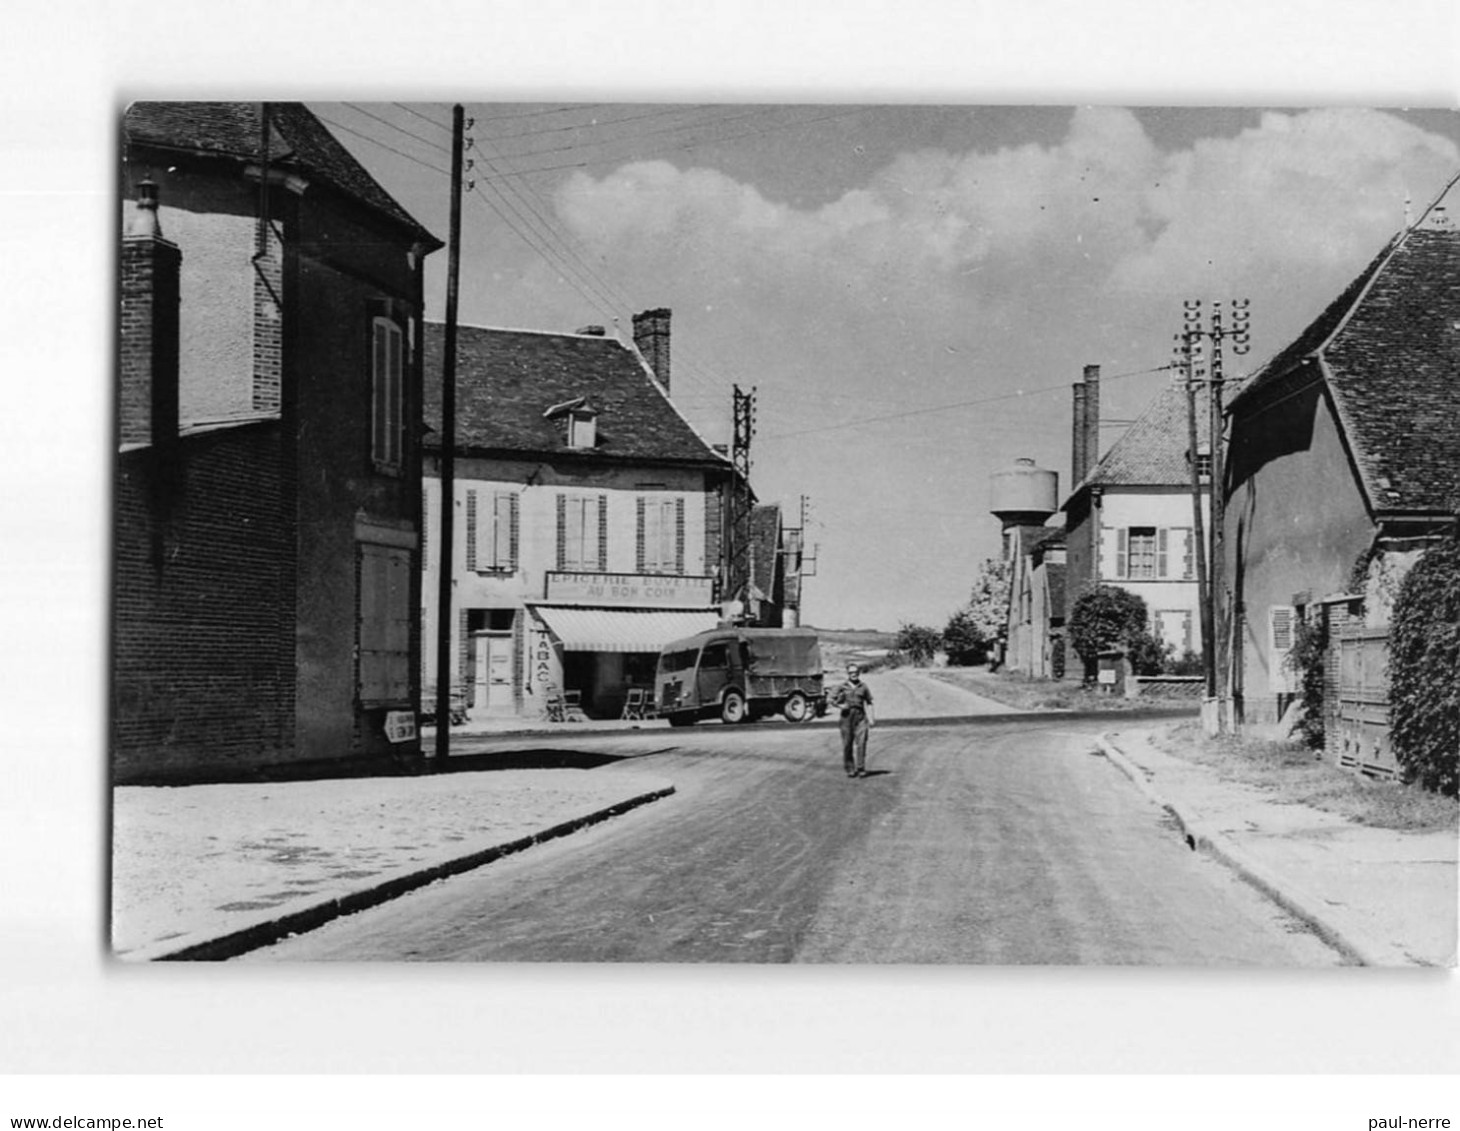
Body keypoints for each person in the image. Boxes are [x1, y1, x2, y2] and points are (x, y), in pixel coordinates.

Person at [831, 663, 875, 778]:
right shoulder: (842, 686)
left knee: (861, 743)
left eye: (855, 672)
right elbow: (830, 699)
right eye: (851, 673)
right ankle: (850, 768)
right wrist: (840, 706)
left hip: (860, 717)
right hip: (846, 718)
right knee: (847, 744)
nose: (853, 674)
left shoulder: (863, 687)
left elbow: (869, 702)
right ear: (848, 674)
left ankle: (861, 768)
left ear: (859, 673)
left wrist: (871, 718)